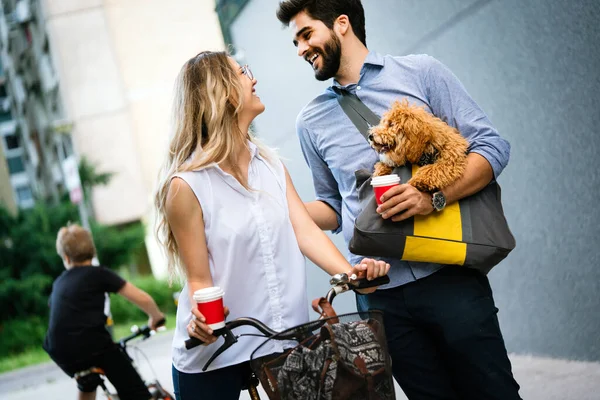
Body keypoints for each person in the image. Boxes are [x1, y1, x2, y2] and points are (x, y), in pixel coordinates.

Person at [275, 1, 522, 399]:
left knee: (494, 392)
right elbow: (332, 208)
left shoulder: (420, 72)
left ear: (341, 24)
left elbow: (492, 147)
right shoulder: (310, 121)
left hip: (449, 277)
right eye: (296, 41)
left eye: (306, 35)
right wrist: (275, 209)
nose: (301, 48)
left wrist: (433, 197)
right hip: (380, 299)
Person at [153, 50, 390, 400]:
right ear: (222, 93)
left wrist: (352, 276)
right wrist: (201, 323)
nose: (254, 78)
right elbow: (199, 281)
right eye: (242, 72)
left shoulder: (270, 164)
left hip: (281, 343)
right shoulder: (187, 185)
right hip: (215, 354)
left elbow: (304, 230)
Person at [43, 224, 165, 400]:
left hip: (59, 350)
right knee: (135, 392)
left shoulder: (59, 282)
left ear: (67, 258)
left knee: (88, 380)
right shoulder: (98, 274)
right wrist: (156, 317)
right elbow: (142, 298)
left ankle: (87, 381)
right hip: (92, 344)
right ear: (92, 252)